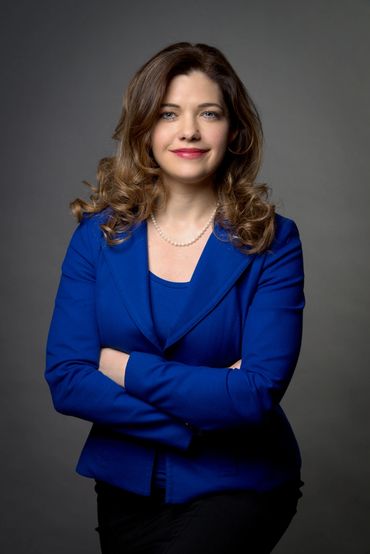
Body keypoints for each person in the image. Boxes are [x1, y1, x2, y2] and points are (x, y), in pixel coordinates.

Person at [45, 41, 305, 553]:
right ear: (144, 129)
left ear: (234, 131)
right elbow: (68, 381)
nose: (189, 131)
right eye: (169, 114)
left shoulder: (274, 240)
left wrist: (122, 369)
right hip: (123, 488)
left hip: (238, 485)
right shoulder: (97, 239)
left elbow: (255, 393)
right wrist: (200, 414)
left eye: (208, 113)